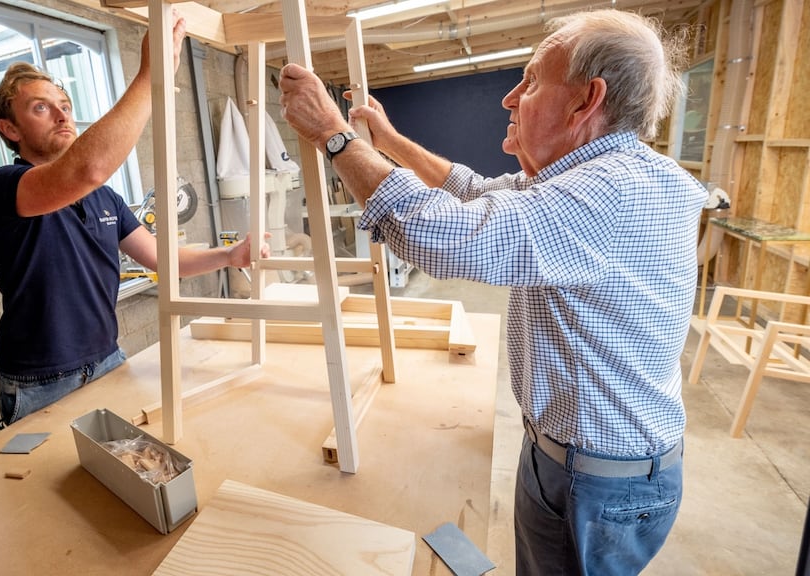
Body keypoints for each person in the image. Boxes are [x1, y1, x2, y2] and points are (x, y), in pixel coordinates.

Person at [279, 9, 705, 575]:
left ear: (586, 100)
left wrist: (334, 137)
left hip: (598, 480)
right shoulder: (597, 175)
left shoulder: (611, 192)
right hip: (580, 461)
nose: (510, 99)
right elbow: (474, 191)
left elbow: (442, 234)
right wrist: (389, 142)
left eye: (530, 81)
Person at [0, 14, 266, 427]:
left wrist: (230, 255)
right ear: (9, 129)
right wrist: (152, 75)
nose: (62, 117)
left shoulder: (104, 197)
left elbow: (162, 260)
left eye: (65, 106)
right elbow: (88, 167)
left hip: (107, 359)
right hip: (40, 381)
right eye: (41, 108)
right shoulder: (0, 186)